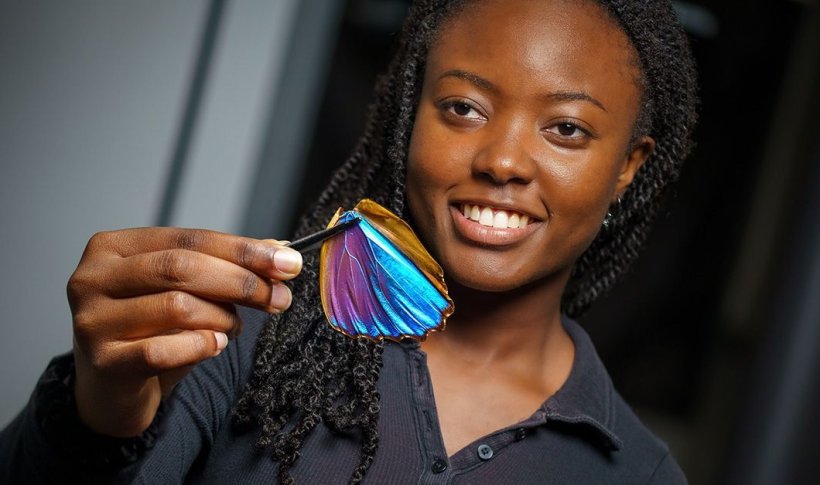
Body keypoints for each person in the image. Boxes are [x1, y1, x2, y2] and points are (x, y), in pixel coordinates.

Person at [0, 0, 697, 483]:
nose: (503, 161)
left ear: (628, 168)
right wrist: (99, 410)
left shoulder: (635, 470)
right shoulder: (247, 333)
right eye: (463, 108)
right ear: (409, 116)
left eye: (566, 128)